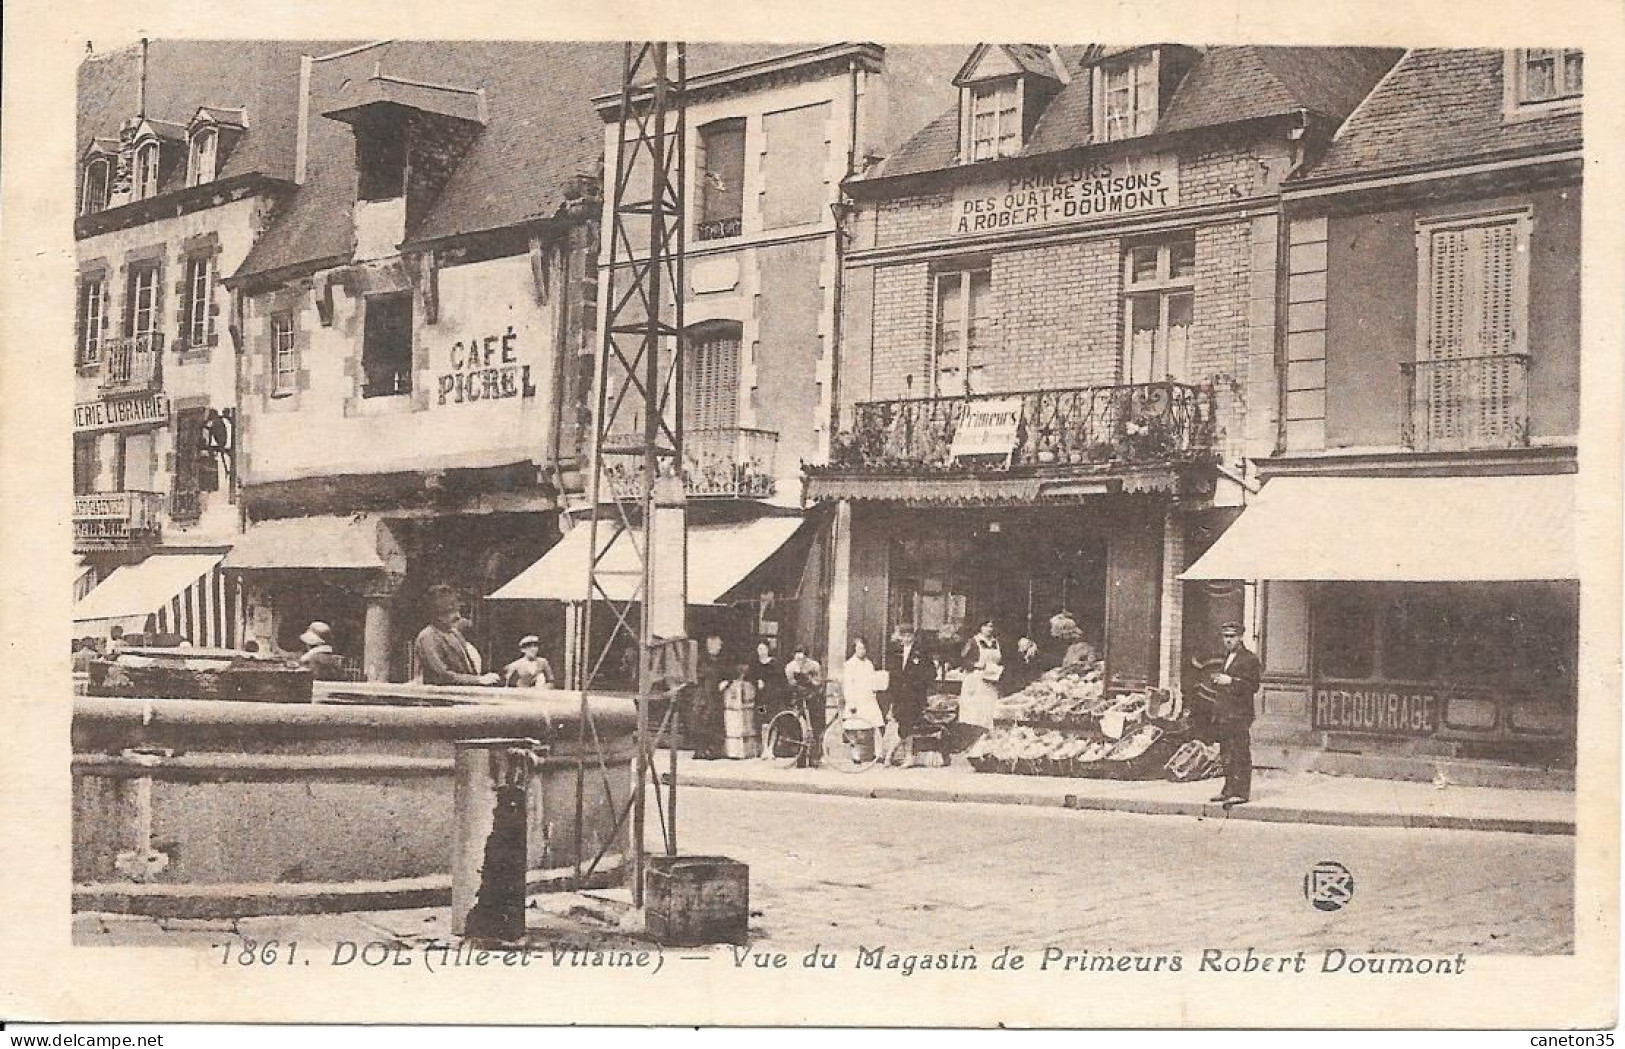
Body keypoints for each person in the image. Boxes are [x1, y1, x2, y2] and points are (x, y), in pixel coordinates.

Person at [1207, 621, 1262, 807]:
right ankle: (1228, 789)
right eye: (1225, 637)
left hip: (1239, 714)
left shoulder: (1250, 659)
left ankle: (1241, 792)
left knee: (1240, 752)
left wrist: (1230, 681)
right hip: (1225, 713)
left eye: (1232, 636)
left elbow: (1253, 686)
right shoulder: (1227, 657)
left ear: (1240, 637)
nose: (1228, 640)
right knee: (1226, 753)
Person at [415, 585, 501, 686]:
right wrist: (477, 680)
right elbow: (442, 675)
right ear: (438, 614)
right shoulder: (428, 637)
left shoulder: (455, 634)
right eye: (452, 612)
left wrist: (481, 678)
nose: (458, 616)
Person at [956, 620, 1003, 738]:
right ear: (980, 627)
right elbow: (961, 660)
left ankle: (986, 740)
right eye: (986, 626)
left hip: (991, 681)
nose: (989, 629)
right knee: (974, 713)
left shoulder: (996, 643)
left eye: (991, 626)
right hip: (975, 681)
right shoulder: (973, 642)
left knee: (989, 711)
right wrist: (975, 665)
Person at [888, 624, 934, 740]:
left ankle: (910, 752)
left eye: (909, 635)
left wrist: (920, 685)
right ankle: (902, 751)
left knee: (912, 723)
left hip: (914, 695)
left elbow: (931, 672)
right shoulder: (896, 652)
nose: (907, 638)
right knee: (901, 723)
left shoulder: (921, 652)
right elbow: (893, 674)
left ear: (913, 636)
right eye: (904, 635)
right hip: (899, 695)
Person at [691, 632, 729, 760]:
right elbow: (698, 676)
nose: (720, 647)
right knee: (701, 720)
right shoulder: (702, 659)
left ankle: (711, 749)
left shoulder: (720, 661)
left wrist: (725, 682)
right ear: (711, 644)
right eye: (718, 644)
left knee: (713, 720)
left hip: (714, 695)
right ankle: (700, 749)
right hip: (703, 694)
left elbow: (726, 674)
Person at [784, 646, 825, 766]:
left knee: (815, 727)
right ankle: (800, 758)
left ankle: (814, 757)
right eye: (797, 656)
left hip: (813, 696)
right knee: (799, 728)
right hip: (798, 697)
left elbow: (818, 682)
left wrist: (811, 681)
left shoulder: (814, 665)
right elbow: (791, 684)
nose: (800, 660)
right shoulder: (790, 667)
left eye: (802, 657)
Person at [841, 638, 884, 732]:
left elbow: (873, 681)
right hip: (856, 700)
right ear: (855, 649)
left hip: (868, 699)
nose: (862, 651)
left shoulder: (869, 664)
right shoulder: (850, 664)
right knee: (857, 726)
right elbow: (847, 686)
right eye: (859, 648)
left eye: (864, 648)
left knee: (872, 726)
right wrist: (851, 703)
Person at [744, 640, 784, 726]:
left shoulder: (774, 664)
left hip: (773, 695)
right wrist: (757, 681)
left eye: (764, 649)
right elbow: (749, 676)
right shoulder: (755, 664)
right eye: (759, 649)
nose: (761, 652)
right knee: (761, 716)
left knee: (773, 718)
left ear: (768, 650)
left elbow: (780, 679)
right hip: (760, 697)